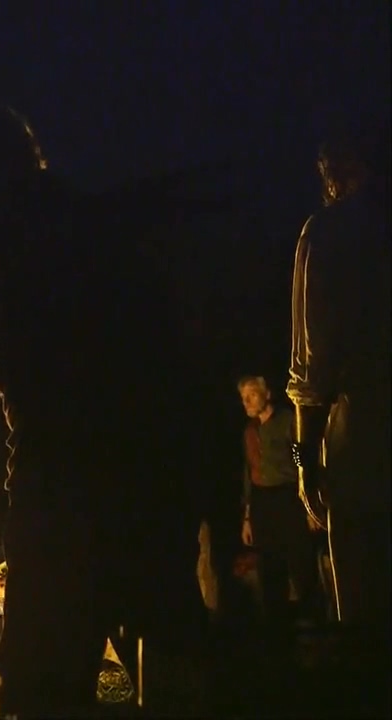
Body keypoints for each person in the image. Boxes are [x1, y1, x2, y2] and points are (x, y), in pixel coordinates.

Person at [0, 98, 206, 716]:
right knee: (170, 652)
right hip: (158, 463)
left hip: (63, 480)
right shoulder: (89, 217)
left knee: (41, 678)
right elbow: (39, 367)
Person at [287, 131, 390, 709]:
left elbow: (311, 366)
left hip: (362, 438)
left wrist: (304, 461)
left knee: (364, 611)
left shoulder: (329, 232)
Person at [236, 376, 323, 631]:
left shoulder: (288, 421)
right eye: (243, 398)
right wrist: (248, 516)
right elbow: (249, 473)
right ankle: (277, 629)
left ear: (267, 394)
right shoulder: (250, 431)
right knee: (269, 566)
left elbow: (304, 462)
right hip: (263, 502)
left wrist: (309, 506)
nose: (246, 402)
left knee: (300, 562)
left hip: (288, 497)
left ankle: (314, 623)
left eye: (252, 395)